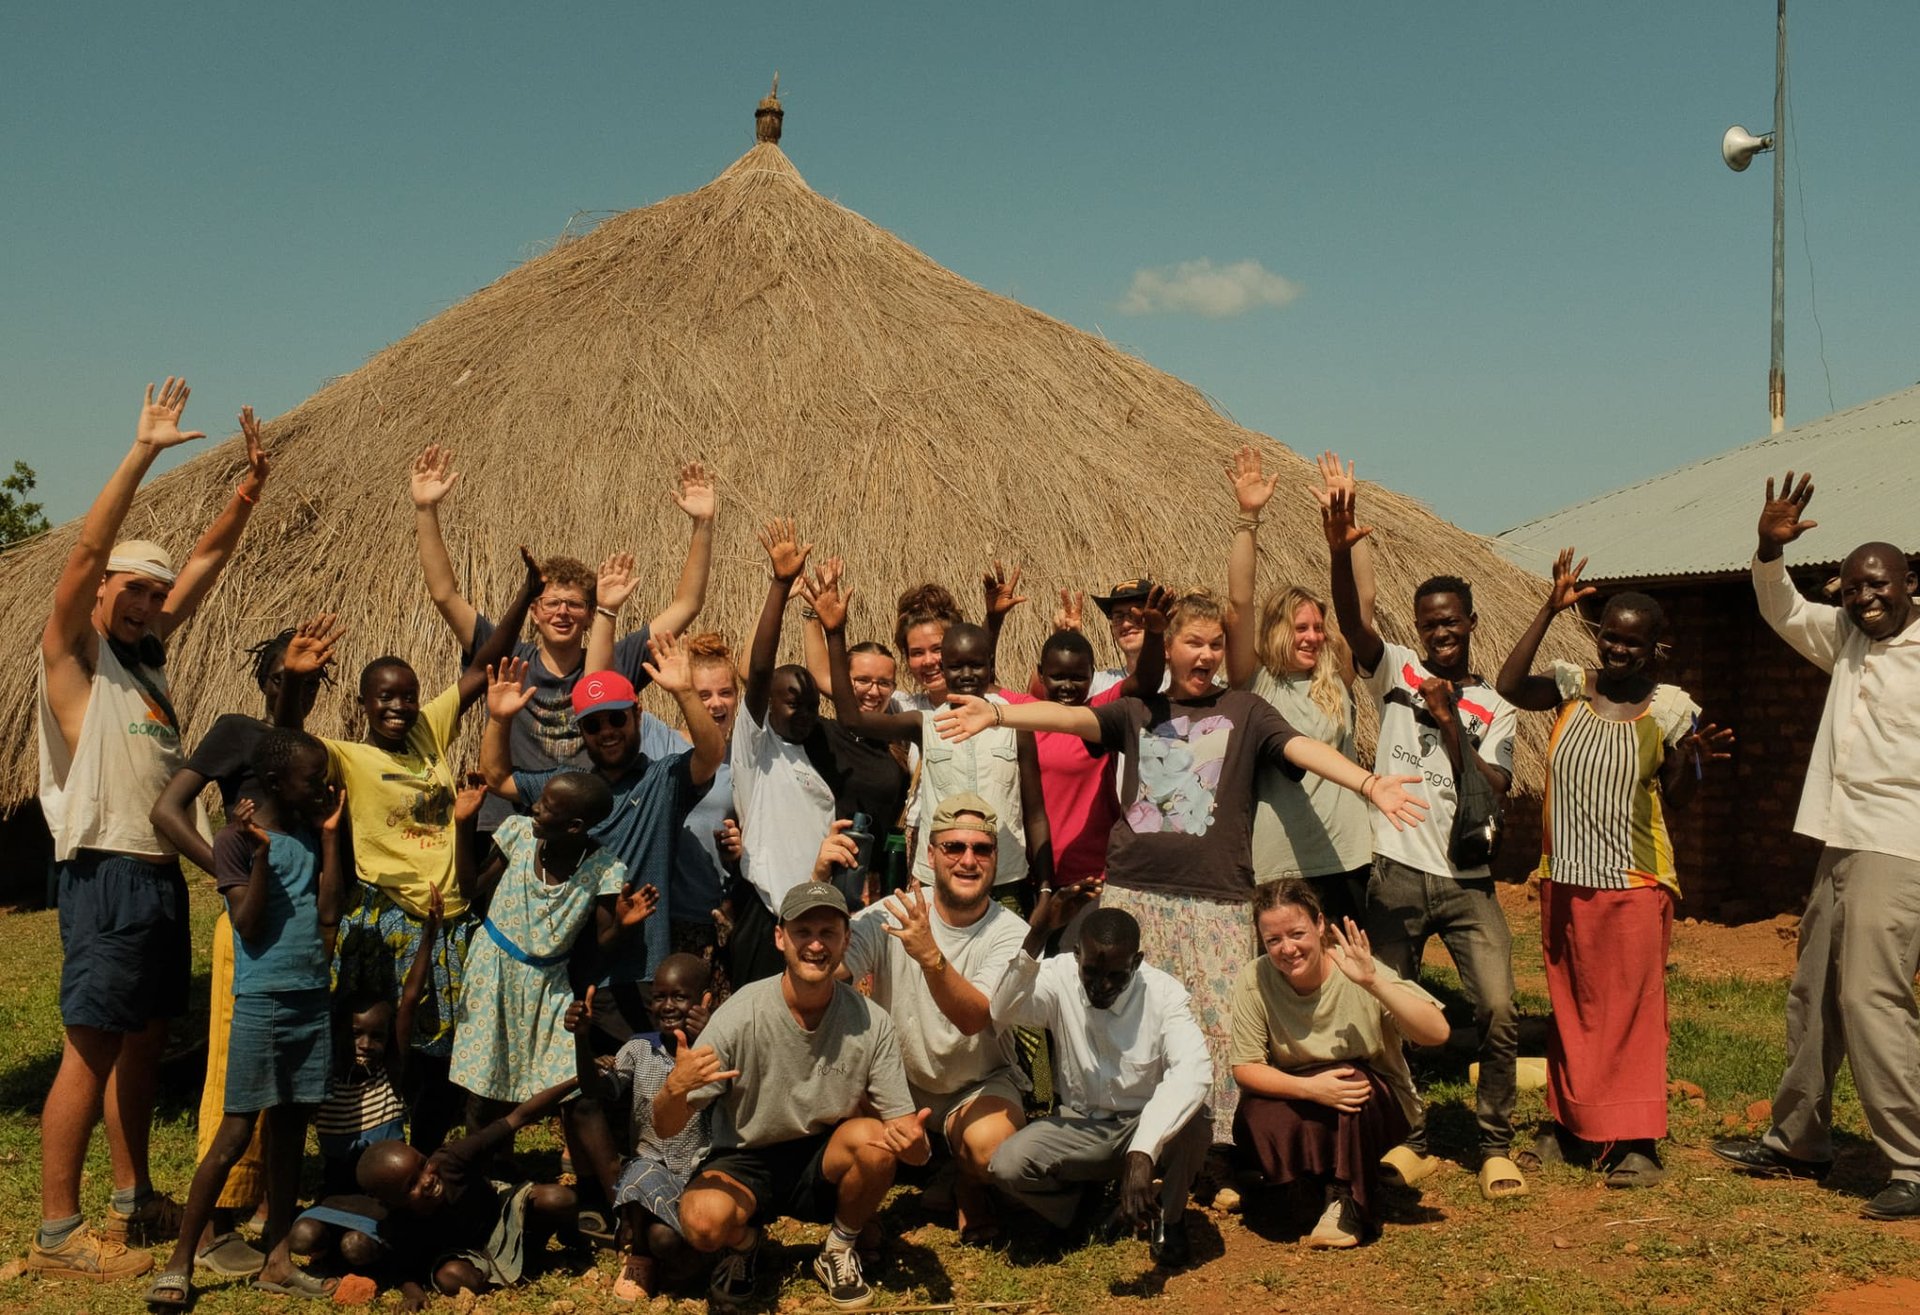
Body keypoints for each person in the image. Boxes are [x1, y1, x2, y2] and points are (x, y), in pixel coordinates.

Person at [936, 589, 1427, 1145]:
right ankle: (1129, 1135)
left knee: (1216, 1024)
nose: (1207, 654)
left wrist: (1369, 783)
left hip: (1218, 896)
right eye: (1194, 642)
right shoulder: (1138, 711)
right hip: (1136, 892)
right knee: (1126, 1016)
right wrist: (998, 713)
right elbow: (1070, 718)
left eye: (1215, 644)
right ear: (1168, 647)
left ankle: (1212, 1146)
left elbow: (1302, 749)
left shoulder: (1245, 712)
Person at [31, 380, 268, 1280]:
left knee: (142, 1039)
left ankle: (132, 1198)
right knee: (91, 1044)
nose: (145, 603)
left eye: (155, 594)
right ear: (101, 592)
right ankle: (58, 1232)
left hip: (158, 871)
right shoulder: (74, 659)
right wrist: (143, 452)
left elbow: (203, 565)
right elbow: (86, 552)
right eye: (132, 589)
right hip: (106, 869)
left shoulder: (148, 669)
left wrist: (244, 497)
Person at [277, 551, 542, 1151]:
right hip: (389, 918)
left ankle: (425, 1153)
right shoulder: (348, 757)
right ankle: (376, 1150)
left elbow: (485, 662)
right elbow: (290, 742)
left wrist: (526, 594)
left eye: (407, 697)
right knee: (391, 1046)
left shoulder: (428, 730)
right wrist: (293, 679)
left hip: (451, 917)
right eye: (385, 698)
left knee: (447, 1048)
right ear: (363, 704)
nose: (398, 707)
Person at [1713, 472, 1920, 1222]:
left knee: (1870, 996)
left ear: (1909, 584)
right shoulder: (1847, 640)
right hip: (1839, 839)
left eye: (1878, 584)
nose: (1864, 598)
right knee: (1814, 994)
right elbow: (1784, 608)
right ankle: (1799, 1139)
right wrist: (1769, 548)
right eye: (1854, 587)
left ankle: (1913, 1161)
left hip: (1900, 846)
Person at [1498, 549, 1733, 1187]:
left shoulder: (1671, 709)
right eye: (1611, 637)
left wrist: (1690, 762)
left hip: (1634, 883)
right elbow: (1510, 686)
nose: (1619, 650)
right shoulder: (1572, 687)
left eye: (1633, 642)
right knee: (1573, 1005)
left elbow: (1677, 798)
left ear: (1656, 648)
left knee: (1631, 1011)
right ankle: (1570, 1124)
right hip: (1566, 877)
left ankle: (1636, 1141)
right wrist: (1549, 610)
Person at [1326, 464, 1525, 1200]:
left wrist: (1448, 721)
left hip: (1468, 879)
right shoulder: (1398, 671)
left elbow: (1495, 789)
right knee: (1383, 1001)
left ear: (1471, 623)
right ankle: (1407, 1135)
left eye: (1451, 621)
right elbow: (1355, 626)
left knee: (1498, 1007)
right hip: (1396, 869)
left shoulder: (1496, 707)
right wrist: (1340, 549)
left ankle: (1494, 1142)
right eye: (1429, 623)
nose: (1440, 633)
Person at [408, 444, 716, 831]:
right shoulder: (507, 658)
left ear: (589, 616)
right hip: (509, 823)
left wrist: (703, 524)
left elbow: (687, 604)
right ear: (533, 612)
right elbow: (445, 595)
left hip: (586, 827)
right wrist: (426, 510)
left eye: (574, 604)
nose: (562, 612)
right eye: (552, 603)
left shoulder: (614, 664)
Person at [149, 626, 330, 1278]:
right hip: (250, 924)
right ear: (263, 681)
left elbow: (282, 759)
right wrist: (231, 868)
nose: (295, 691)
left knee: (280, 1102)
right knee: (234, 1082)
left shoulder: (304, 760)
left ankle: (258, 1217)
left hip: (297, 942)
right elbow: (168, 810)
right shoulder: (233, 731)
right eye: (283, 679)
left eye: (308, 683)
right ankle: (211, 1227)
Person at [658, 880, 931, 1310]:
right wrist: (674, 1089)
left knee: (877, 1142)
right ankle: (746, 1245)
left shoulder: (872, 1021)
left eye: (828, 933)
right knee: (703, 1224)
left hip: (821, 1155)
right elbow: (665, 1126)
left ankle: (839, 1247)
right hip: (744, 1155)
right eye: (803, 932)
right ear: (780, 937)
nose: (816, 945)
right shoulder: (740, 1014)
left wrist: (915, 1147)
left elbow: (907, 1136)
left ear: (846, 940)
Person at [480, 634, 723, 1037]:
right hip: (571, 974)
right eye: (593, 724)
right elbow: (497, 778)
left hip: (644, 974)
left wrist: (684, 692)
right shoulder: (568, 790)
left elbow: (711, 755)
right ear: (581, 731)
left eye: (616, 718)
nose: (606, 731)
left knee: (645, 1072)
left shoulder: (662, 780)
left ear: (637, 713)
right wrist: (500, 719)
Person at [836, 793, 1031, 1243]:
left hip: (976, 1084)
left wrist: (930, 957)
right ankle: (863, 1206)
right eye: (954, 847)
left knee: (992, 1152)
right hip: (895, 1085)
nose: (968, 860)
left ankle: (965, 1180)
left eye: (982, 849)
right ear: (930, 854)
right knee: (834, 1096)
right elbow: (828, 974)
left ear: (996, 857)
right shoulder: (890, 914)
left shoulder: (1012, 933)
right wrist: (821, 881)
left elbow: (974, 1018)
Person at [987, 892, 1210, 1268]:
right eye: (1091, 972)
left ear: (1136, 962)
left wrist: (1143, 1151)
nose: (1101, 985)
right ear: (1077, 955)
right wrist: (1037, 934)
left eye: (1116, 975)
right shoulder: (1059, 976)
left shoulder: (1163, 996)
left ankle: (1169, 1219)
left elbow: (1194, 1071)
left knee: (1196, 1120)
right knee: (1008, 1164)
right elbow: (1002, 1010)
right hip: (1083, 1125)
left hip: (1144, 1124)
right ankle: (1076, 1212)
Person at [1230, 881, 1450, 1249]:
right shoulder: (1255, 978)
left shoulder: (1355, 968)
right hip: (1305, 1087)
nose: (1287, 949)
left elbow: (1437, 1032)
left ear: (1319, 925)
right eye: (1273, 940)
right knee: (1256, 1111)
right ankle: (1300, 1183)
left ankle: (1347, 1199)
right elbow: (1246, 1066)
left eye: (1297, 934)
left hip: (1373, 1096)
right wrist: (1310, 1089)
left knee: (1351, 1083)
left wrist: (1374, 982)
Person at [815, 574, 1042, 896]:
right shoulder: (908, 709)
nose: (930, 661)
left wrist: (993, 621)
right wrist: (829, 629)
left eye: (938, 650)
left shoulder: (1002, 714)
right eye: (916, 652)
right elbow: (846, 707)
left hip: (998, 859)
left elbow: (975, 664)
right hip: (930, 852)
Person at [1226, 448, 1377, 927]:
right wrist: (1248, 518)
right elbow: (1239, 602)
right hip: (1280, 862)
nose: (1313, 637)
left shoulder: (1337, 677)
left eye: (1317, 627)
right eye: (1301, 628)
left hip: (1348, 855)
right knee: (1286, 962)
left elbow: (1364, 601)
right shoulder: (1254, 682)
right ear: (1276, 630)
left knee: (1347, 963)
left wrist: (1348, 525)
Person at [450, 769, 653, 1122]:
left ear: (574, 825)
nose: (535, 808)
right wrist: (463, 825)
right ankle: (482, 1153)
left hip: (549, 985)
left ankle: (579, 1149)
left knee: (569, 1084)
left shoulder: (605, 868)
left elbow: (603, 943)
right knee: (486, 1086)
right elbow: (470, 888)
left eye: (546, 806)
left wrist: (622, 926)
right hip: (494, 971)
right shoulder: (518, 833)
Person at [565, 954, 718, 1302]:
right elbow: (595, 1091)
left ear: (704, 1000)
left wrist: (710, 1035)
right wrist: (582, 1040)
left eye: (680, 997)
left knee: (670, 1241)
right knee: (641, 1173)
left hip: (702, 1174)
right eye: (659, 997)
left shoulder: (717, 1048)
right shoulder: (639, 1048)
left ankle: (700, 1259)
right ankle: (639, 1253)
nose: (668, 1006)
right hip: (652, 1177)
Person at [356, 1076, 584, 1302]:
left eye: (423, 1165)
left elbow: (519, 1116)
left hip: (499, 1217)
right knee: (450, 1277)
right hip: (465, 1254)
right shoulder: (398, 1222)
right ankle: (517, 1266)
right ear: (393, 1202)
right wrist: (412, 1291)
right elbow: (400, 1266)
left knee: (559, 1198)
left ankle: (541, 1249)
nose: (427, 1180)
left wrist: (575, 1081)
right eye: (411, 1185)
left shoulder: (450, 1161)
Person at [1087, 577, 1164, 697]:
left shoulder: (1178, 682)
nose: (1126, 624)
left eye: (1135, 615)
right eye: (1119, 617)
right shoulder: (1097, 684)